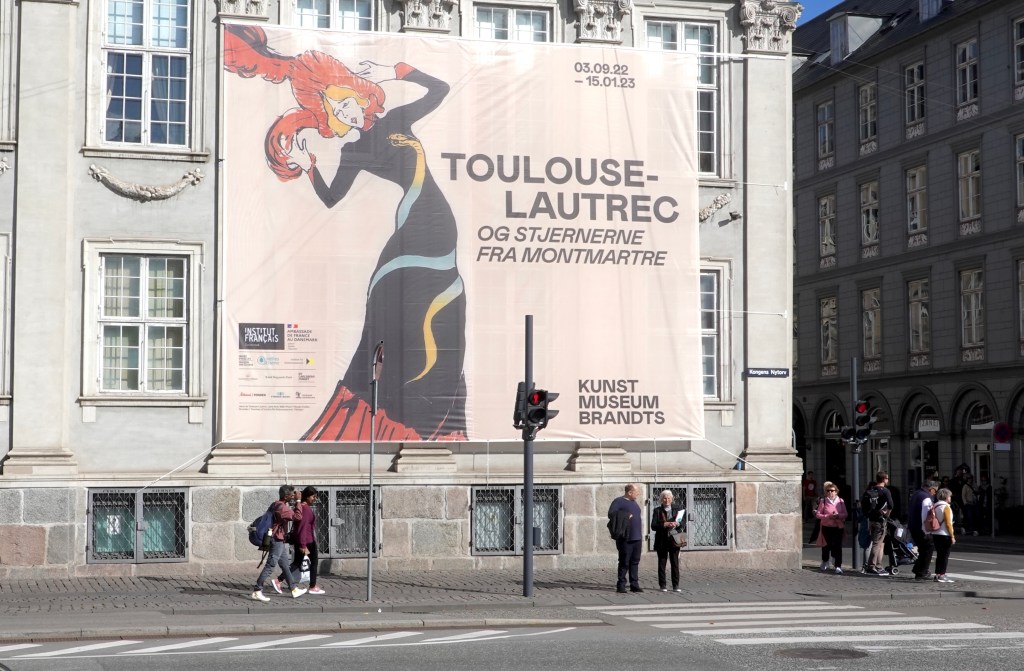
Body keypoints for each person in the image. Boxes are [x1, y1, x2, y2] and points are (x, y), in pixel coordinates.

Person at [224, 25, 467, 442]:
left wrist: (394, 69)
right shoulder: (353, 152)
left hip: (433, 224)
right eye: (337, 108)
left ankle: (421, 416)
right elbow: (333, 199)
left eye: (348, 99)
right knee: (406, 313)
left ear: (357, 92)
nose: (349, 110)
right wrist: (308, 166)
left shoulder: (397, 119)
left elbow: (440, 89)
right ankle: (393, 417)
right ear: (328, 113)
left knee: (436, 307)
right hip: (409, 235)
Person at [251, 485, 307, 601]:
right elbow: (298, 516)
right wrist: (298, 501)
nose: (293, 496)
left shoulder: (276, 504)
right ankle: (257, 589)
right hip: (276, 540)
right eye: (292, 495)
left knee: (285, 565)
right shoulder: (282, 508)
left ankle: (293, 589)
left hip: (279, 539)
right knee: (270, 565)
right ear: (286, 496)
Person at [273, 486, 324, 595]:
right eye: (313, 496)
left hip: (306, 540)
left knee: (297, 563)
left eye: (316, 497)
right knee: (312, 563)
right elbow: (302, 528)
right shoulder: (305, 509)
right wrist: (302, 545)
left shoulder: (305, 508)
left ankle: (279, 580)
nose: (315, 499)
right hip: (306, 541)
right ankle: (312, 586)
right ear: (307, 497)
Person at [608, 483, 644, 593]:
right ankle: (621, 584)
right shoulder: (619, 501)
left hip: (637, 537)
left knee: (635, 561)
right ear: (629, 492)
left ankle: (634, 584)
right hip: (626, 538)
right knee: (624, 561)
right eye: (636, 491)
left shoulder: (634, 502)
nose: (638, 493)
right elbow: (611, 514)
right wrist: (625, 515)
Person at [650, 490, 684, 592]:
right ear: (661, 499)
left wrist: (676, 524)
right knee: (662, 563)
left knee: (675, 563)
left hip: (674, 539)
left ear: (672, 499)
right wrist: (664, 525)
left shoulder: (678, 509)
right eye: (664, 498)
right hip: (661, 540)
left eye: (669, 498)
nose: (667, 500)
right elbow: (653, 526)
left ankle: (676, 585)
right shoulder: (657, 510)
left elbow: (682, 523)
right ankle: (662, 585)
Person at [863, 471, 894, 575]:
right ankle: (871, 566)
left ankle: (878, 565)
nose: (888, 480)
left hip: (871, 519)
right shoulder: (885, 491)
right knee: (877, 544)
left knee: (880, 544)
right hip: (880, 520)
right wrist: (886, 516)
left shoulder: (871, 490)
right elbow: (891, 505)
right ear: (884, 479)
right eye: (887, 479)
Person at [815, 481, 847, 574]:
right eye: (828, 491)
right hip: (826, 526)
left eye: (832, 491)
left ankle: (838, 565)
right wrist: (827, 516)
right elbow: (818, 514)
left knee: (837, 546)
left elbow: (845, 514)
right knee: (826, 545)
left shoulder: (840, 501)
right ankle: (825, 561)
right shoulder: (823, 501)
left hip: (838, 527)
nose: (830, 492)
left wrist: (838, 515)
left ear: (836, 492)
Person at [908, 479, 938, 580]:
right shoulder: (926, 498)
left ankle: (917, 569)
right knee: (928, 549)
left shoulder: (916, 494)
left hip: (913, 526)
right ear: (931, 489)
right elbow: (925, 515)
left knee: (922, 549)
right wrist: (927, 530)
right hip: (921, 528)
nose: (935, 493)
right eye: (935, 490)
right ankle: (922, 572)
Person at [930, 487, 956, 583]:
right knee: (945, 556)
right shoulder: (946, 507)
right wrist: (952, 536)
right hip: (944, 534)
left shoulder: (935, 505)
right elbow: (949, 523)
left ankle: (937, 574)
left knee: (939, 555)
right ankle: (942, 575)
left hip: (935, 533)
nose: (950, 498)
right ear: (946, 497)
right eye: (950, 496)